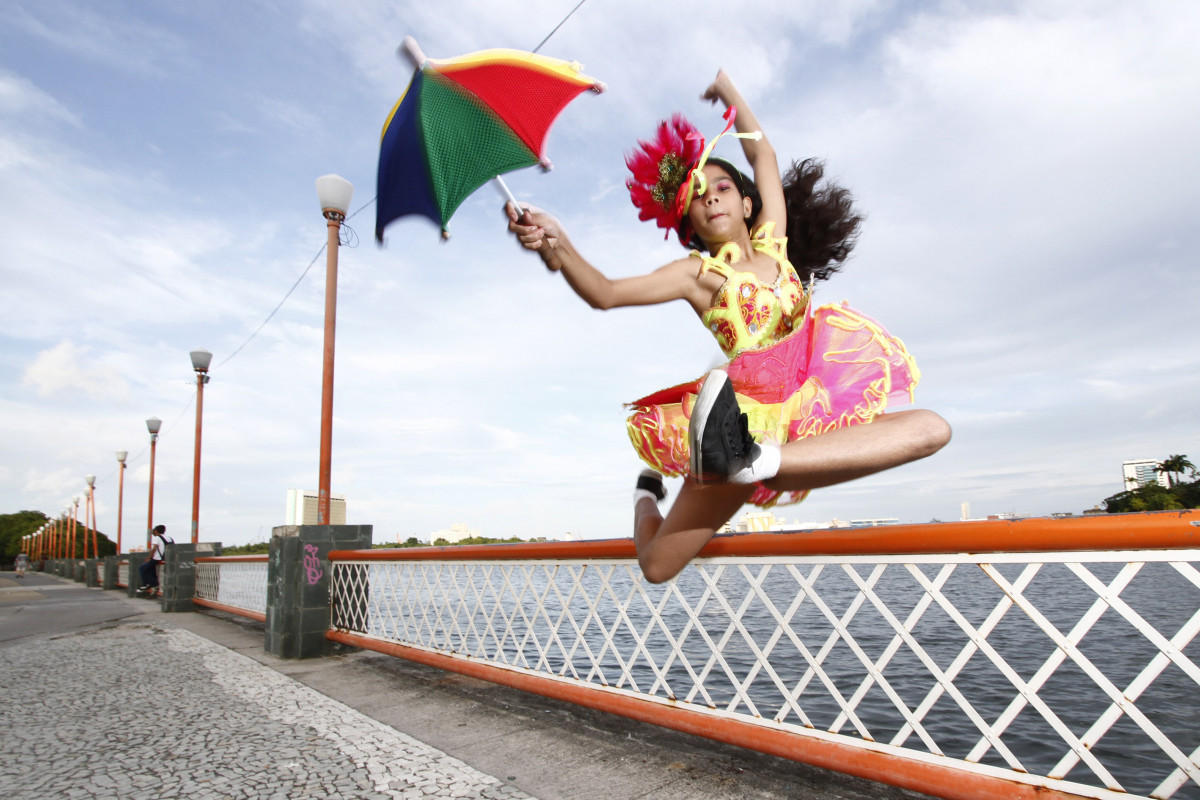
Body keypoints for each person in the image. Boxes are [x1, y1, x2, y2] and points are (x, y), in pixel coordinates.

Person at [507, 70, 951, 584]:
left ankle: (760, 460)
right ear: (689, 221)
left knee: (933, 428)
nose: (711, 197)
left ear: (746, 204)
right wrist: (556, 242)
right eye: (698, 195)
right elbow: (605, 293)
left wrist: (731, 95)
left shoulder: (774, 243)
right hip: (734, 427)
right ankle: (647, 494)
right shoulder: (699, 274)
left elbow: (764, 158)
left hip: (807, 417)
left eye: (721, 187)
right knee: (656, 566)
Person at [139, 525, 173, 598]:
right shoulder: (169, 538)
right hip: (166, 558)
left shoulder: (157, 538)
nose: (153, 532)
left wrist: (149, 557)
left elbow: (154, 548)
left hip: (157, 558)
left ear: (156, 531)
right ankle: (152, 584)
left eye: (154, 531)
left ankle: (149, 584)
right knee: (150, 570)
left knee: (142, 568)